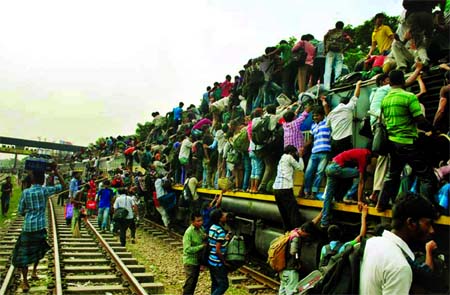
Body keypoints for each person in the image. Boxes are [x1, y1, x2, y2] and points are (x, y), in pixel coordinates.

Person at [376, 70, 436, 212]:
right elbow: (420, 120)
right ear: (403, 81)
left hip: (392, 143)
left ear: (390, 83)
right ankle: (429, 209)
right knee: (426, 175)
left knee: (393, 174)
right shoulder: (408, 97)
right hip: (407, 142)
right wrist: (434, 129)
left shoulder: (385, 100)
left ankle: (381, 204)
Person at [360, 193, 438, 294]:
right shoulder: (400, 267)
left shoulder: (371, 243)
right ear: (411, 223)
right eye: (428, 224)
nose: (432, 230)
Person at [12, 165, 66, 292]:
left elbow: (20, 211)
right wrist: (57, 172)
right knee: (38, 250)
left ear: (32, 180)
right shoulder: (44, 191)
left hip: (28, 228)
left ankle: (25, 282)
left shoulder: (25, 193)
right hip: (41, 227)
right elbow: (64, 186)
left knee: (24, 254)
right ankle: (34, 272)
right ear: (42, 181)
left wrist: (28, 214)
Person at [320, 148, 372, 228]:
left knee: (328, 196)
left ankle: (324, 222)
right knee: (362, 174)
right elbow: (361, 181)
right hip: (335, 168)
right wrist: (359, 201)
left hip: (329, 167)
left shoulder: (358, 152)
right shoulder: (364, 155)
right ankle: (349, 195)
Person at [273, 145, 305, 231]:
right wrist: (301, 157)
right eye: (295, 154)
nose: (295, 155)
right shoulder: (289, 157)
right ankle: (296, 232)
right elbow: (300, 168)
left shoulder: (281, 159)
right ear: (291, 153)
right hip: (285, 188)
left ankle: (287, 231)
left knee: (284, 213)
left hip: (276, 189)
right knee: (293, 211)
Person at [279, 221, 316, 295]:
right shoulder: (296, 238)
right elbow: (293, 251)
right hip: (291, 269)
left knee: (283, 289)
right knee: (291, 291)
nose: (306, 236)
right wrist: (297, 260)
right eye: (307, 234)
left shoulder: (293, 232)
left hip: (284, 269)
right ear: (304, 231)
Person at [326, 80, 361, 158]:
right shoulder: (347, 108)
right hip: (344, 140)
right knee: (347, 160)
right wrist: (358, 84)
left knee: (336, 161)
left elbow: (327, 125)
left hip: (334, 140)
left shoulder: (332, 112)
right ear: (347, 103)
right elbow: (356, 96)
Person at [303, 103, 331, 200]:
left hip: (324, 152)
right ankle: (307, 191)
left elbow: (328, 114)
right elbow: (311, 139)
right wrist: (303, 147)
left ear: (322, 115)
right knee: (308, 172)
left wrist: (324, 104)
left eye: (317, 115)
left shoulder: (327, 122)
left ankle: (314, 192)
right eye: (314, 116)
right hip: (314, 152)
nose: (315, 117)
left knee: (319, 173)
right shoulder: (313, 126)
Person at [182, 212, 207, 295]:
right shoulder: (189, 233)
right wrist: (201, 246)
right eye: (198, 221)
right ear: (192, 222)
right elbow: (187, 249)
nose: (201, 222)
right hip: (190, 261)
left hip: (197, 261)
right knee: (190, 284)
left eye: (201, 220)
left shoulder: (201, 229)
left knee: (193, 283)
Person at [323, 21, 353, 90]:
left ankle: (326, 87)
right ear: (342, 26)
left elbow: (325, 37)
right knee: (338, 69)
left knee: (328, 68)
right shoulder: (343, 33)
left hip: (330, 51)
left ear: (335, 25)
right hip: (339, 52)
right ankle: (337, 83)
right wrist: (344, 49)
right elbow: (351, 41)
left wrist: (325, 48)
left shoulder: (330, 32)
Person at [208, 209, 231, 295]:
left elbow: (215, 242)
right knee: (224, 285)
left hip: (211, 260)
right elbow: (218, 250)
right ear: (220, 219)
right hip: (217, 263)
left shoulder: (212, 227)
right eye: (223, 214)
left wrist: (225, 239)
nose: (225, 215)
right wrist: (224, 262)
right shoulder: (220, 231)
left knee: (215, 283)